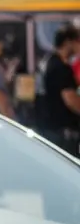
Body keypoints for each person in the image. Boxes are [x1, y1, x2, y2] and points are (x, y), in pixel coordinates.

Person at [36, 24, 80, 156]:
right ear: (68, 42)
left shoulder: (47, 62)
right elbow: (70, 99)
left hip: (47, 127)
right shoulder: (61, 68)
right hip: (62, 132)